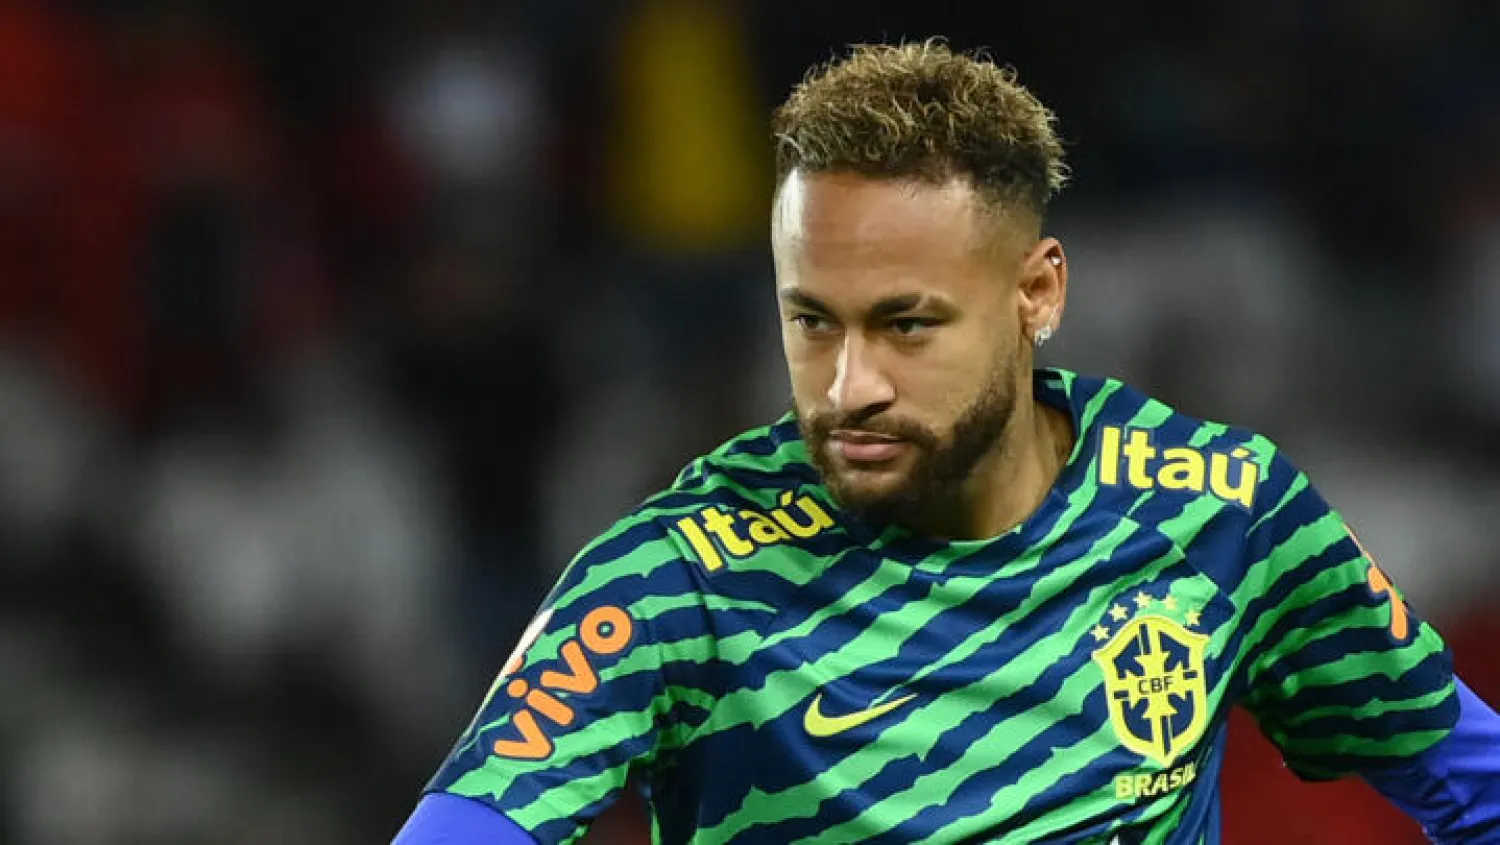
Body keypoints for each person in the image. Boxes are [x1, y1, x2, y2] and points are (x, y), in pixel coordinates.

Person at [393, 41, 1500, 844]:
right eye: (810, 318)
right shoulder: (683, 575)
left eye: (906, 322)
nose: (848, 383)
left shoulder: (1219, 511)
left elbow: (1470, 780)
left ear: (1037, 293)